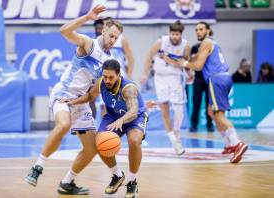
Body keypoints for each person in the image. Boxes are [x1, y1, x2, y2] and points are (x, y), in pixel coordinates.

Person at [25, 5, 122, 195]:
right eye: (111, 35)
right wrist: (87, 17)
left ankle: (67, 182)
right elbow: (64, 31)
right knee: (63, 125)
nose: (113, 40)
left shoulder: (109, 61)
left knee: (92, 148)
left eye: (116, 38)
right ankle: (37, 167)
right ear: (103, 31)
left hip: (80, 102)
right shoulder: (88, 43)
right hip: (63, 94)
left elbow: (94, 94)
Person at [66, 59, 148, 198]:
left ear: (119, 75)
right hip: (113, 116)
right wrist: (72, 102)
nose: (107, 80)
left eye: (111, 77)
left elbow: (133, 111)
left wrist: (121, 121)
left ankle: (132, 181)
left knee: (134, 141)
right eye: (105, 76)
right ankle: (117, 175)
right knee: (100, 143)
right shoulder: (101, 83)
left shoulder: (128, 88)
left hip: (135, 118)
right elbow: (90, 96)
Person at [177, 21, 248, 163]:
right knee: (211, 112)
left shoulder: (206, 42)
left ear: (208, 31)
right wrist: (187, 59)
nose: (198, 32)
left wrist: (184, 63)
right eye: (196, 30)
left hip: (216, 79)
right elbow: (196, 59)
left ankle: (237, 143)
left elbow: (197, 66)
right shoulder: (211, 45)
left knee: (219, 115)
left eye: (201, 29)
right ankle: (229, 144)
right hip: (222, 78)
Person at [140, 20, 190, 155]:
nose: (174, 37)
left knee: (179, 111)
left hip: (176, 78)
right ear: (169, 33)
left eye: (177, 34)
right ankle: (174, 141)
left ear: (181, 34)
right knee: (164, 109)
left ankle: (177, 131)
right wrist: (145, 73)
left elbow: (186, 64)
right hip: (160, 77)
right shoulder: (160, 42)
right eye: (173, 34)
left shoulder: (185, 46)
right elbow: (149, 56)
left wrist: (190, 73)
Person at [190, 43, 214, 132]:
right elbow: (190, 61)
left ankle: (209, 124)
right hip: (198, 80)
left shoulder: (213, 48)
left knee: (210, 104)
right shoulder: (195, 47)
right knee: (196, 104)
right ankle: (194, 124)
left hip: (209, 80)